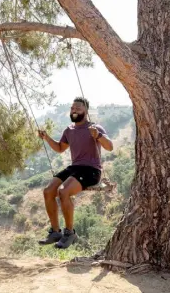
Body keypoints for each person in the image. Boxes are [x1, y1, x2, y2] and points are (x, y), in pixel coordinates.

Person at [37, 97, 114, 249]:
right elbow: (60, 148)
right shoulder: (69, 130)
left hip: (91, 170)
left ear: (85, 111)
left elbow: (110, 147)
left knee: (63, 191)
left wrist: (98, 135)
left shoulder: (95, 127)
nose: (74, 111)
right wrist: (46, 138)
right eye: (72, 108)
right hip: (75, 167)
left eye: (78, 108)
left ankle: (70, 233)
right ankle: (55, 232)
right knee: (48, 191)